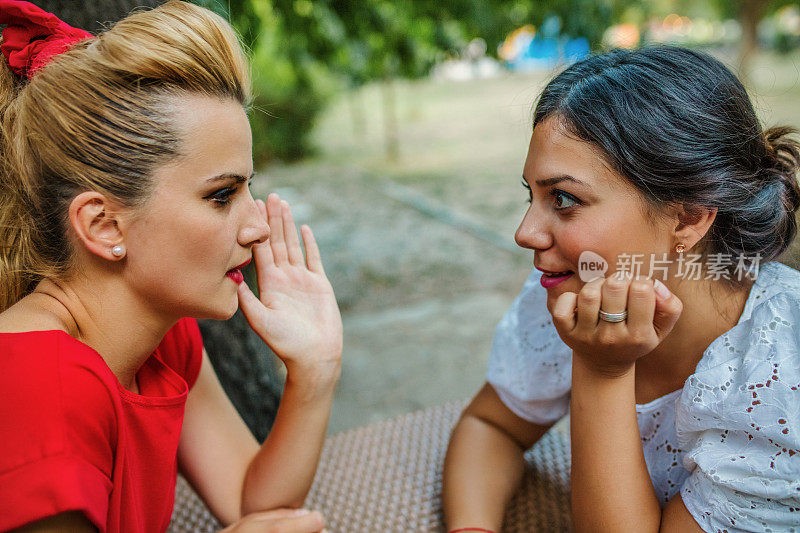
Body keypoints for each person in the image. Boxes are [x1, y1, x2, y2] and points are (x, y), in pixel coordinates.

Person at [0, 2, 342, 532]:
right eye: (222, 195)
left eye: (247, 187)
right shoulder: (44, 382)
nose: (257, 226)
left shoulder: (165, 336)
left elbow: (251, 501)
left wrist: (315, 370)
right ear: (104, 225)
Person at [443, 46, 800, 532]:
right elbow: (493, 425)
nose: (525, 232)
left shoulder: (778, 381)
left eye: (564, 199)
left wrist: (601, 369)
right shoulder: (575, 288)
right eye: (533, 195)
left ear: (688, 218)